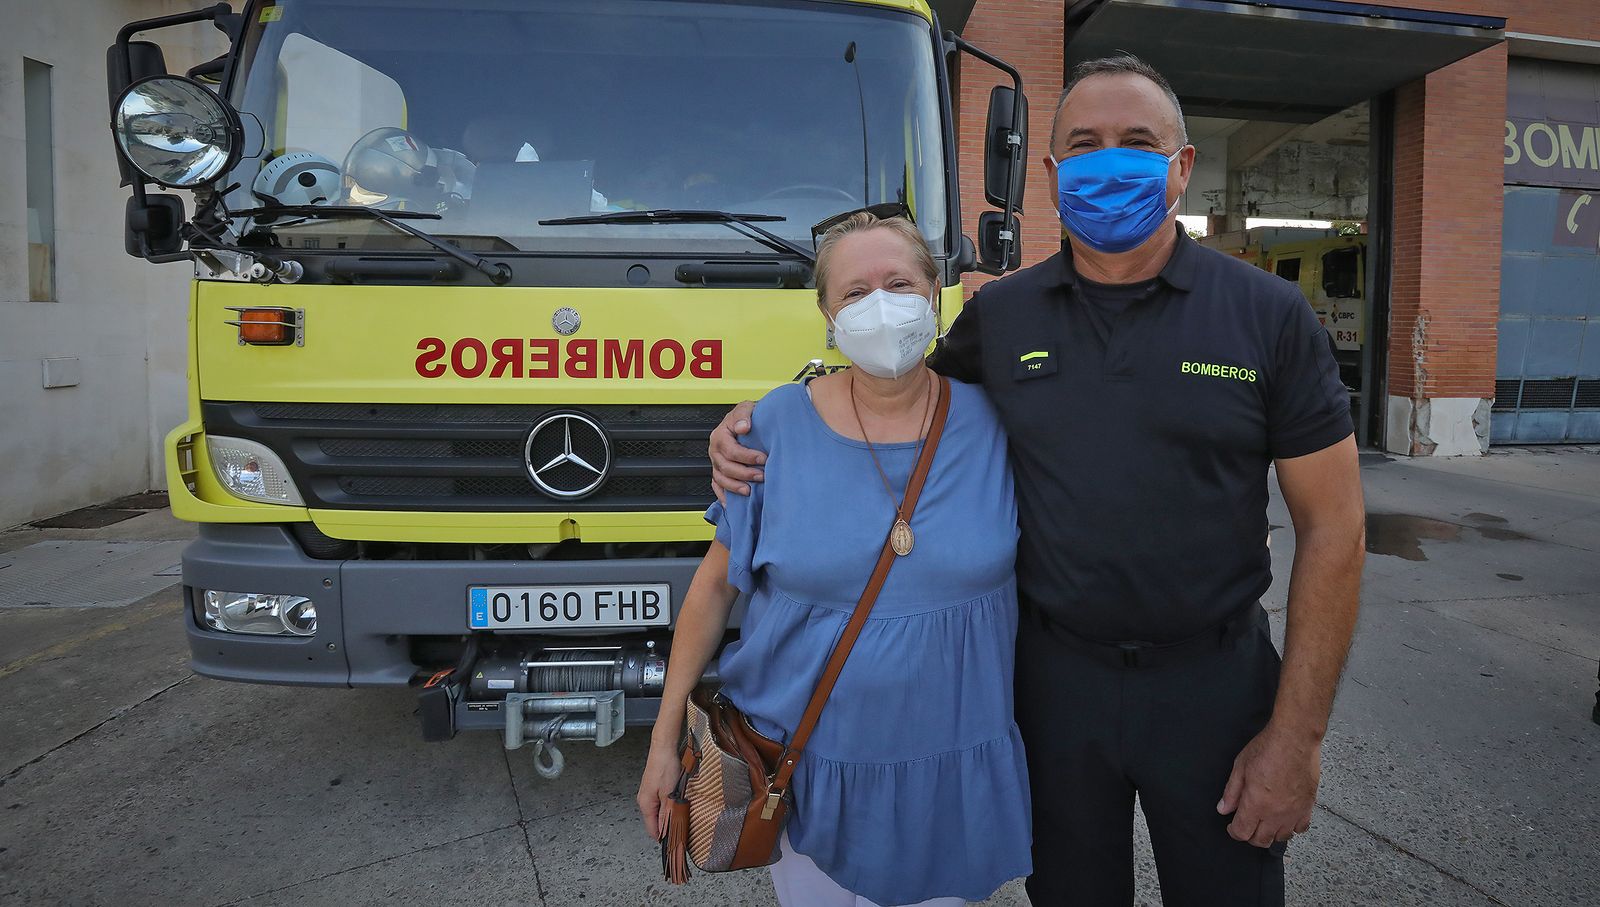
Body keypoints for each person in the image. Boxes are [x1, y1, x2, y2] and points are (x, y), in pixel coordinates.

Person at [711, 55, 1366, 905]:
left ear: (1184, 165)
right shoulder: (1002, 316)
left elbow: (1336, 531)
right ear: (1052, 175)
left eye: (1138, 141)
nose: (1111, 160)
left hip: (1215, 687)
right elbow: (892, 395)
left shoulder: (1266, 315)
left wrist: (1297, 737)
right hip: (1052, 688)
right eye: (1085, 145)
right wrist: (763, 419)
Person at [638, 212, 1032, 907]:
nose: (880, 305)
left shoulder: (1000, 422)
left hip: (951, 772)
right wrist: (664, 739)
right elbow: (711, 592)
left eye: (899, 282)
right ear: (826, 314)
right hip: (805, 770)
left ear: (936, 293)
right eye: (854, 293)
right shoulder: (771, 428)